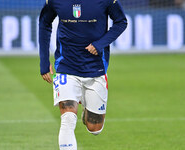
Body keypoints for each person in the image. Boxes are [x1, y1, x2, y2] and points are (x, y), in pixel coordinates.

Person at [39, 0, 127, 149]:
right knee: (67, 119)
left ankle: (85, 106)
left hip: (95, 68)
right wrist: (44, 61)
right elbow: (44, 23)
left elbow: (121, 22)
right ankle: (76, 100)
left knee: (95, 128)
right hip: (66, 65)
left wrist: (100, 44)